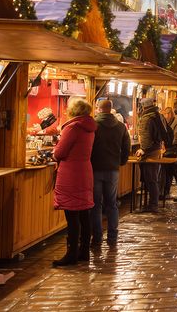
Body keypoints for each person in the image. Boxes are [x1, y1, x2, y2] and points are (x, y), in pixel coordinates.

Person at [52, 98, 96, 266]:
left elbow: (61, 152)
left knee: (72, 215)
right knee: (84, 214)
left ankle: (71, 254)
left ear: (74, 111)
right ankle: (84, 251)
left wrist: (53, 154)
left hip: (71, 174)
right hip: (84, 171)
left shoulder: (72, 128)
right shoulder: (89, 127)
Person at [90, 99, 130, 249]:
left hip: (95, 168)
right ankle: (112, 237)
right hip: (113, 169)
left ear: (99, 109)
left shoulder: (93, 126)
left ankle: (97, 237)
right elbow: (126, 147)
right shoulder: (120, 126)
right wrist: (121, 161)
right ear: (111, 109)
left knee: (96, 205)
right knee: (112, 204)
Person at [135, 97, 171, 213]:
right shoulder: (158, 115)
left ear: (144, 106)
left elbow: (145, 136)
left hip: (150, 151)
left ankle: (152, 205)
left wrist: (143, 149)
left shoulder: (147, 118)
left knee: (150, 178)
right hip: (157, 148)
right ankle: (151, 203)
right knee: (153, 177)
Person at [162, 106, 177, 201]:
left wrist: (176, 146)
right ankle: (166, 192)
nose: (166, 116)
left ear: (171, 114)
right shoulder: (167, 122)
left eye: (167, 114)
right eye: (165, 114)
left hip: (176, 150)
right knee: (168, 173)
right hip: (168, 151)